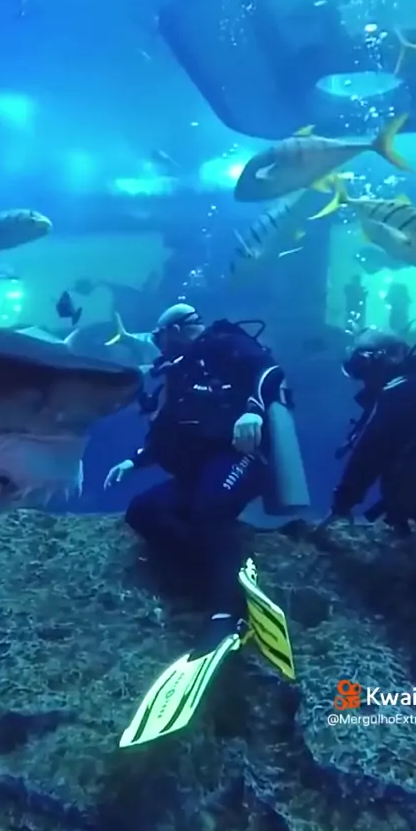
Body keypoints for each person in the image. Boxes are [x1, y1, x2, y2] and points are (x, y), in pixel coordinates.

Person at [105, 303, 300, 747]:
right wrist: (134, 461)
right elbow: (165, 431)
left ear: (174, 330)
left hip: (243, 459)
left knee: (211, 510)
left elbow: (269, 372)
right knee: (144, 511)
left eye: (161, 337)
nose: (159, 346)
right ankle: (221, 578)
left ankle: (226, 615)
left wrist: (253, 411)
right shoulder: (179, 372)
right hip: (198, 470)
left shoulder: (226, 344)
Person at [328, 327, 416, 532]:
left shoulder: (402, 392)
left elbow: (371, 452)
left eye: (364, 362)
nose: (362, 376)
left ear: (395, 355)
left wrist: (343, 501)